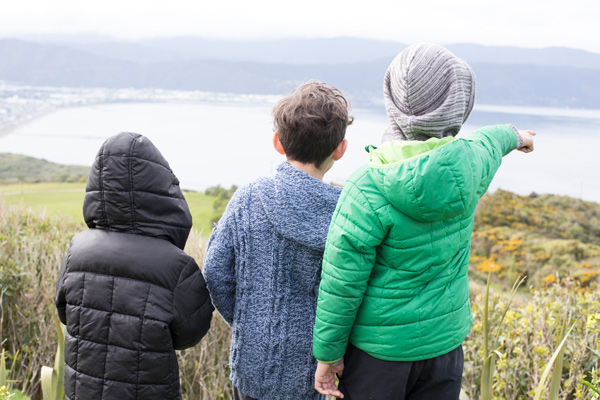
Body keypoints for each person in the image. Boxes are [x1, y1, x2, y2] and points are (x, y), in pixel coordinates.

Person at [312, 43, 536, 400]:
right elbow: (487, 140)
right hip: (444, 348)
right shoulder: (472, 164)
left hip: (379, 356)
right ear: (460, 103)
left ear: (393, 102)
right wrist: (515, 135)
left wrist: (328, 354)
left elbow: (342, 284)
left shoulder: (366, 187)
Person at [203, 81, 353, 400]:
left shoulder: (248, 199)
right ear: (340, 149)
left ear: (278, 142)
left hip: (253, 365)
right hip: (318, 372)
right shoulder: (350, 213)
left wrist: (250, 320)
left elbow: (215, 273)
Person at [55, 132, 214, 400]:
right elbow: (190, 334)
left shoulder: (77, 249)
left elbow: (65, 312)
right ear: (162, 188)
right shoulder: (175, 265)